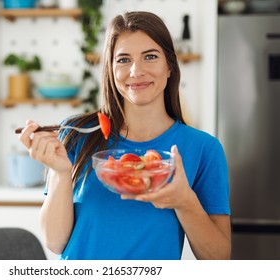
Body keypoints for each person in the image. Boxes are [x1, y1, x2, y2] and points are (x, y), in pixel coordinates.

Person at [18, 11, 231, 260]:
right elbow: (55, 242)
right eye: (123, 60)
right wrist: (61, 172)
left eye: (150, 57)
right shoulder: (77, 134)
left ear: (170, 66)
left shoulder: (203, 149)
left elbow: (218, 259)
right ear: (111, 70)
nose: (136, 71)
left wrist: (185, 202)